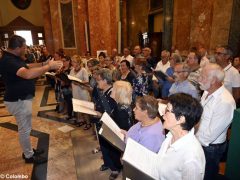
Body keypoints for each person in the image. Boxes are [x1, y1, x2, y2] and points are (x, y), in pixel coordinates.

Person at [0, 35, 63, 164]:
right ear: (17, 48)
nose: (25, 49)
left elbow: (27, 66)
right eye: (24, 47)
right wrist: (48, 67)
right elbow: (28, 74)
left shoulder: (13, 58)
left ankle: (29, 151)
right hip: (18, 100)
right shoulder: (8, 61)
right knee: (24, 130)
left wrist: (43, 63)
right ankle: (29, 156)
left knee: (26, 127)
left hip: (21, 99)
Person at [196, 63, 236, 180]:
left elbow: (209, 137)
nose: (199, 79)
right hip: (200, 141)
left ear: (213, 80)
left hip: (211, 149)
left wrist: (190, 139)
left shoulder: (225, 102)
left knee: (206, 176)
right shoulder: (207, 91)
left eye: (202, 76)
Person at [154, 93, 205, 179]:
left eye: (167, 110)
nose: (162, 113)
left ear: (181, 119)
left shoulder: (191, 157)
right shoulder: (170, 136)